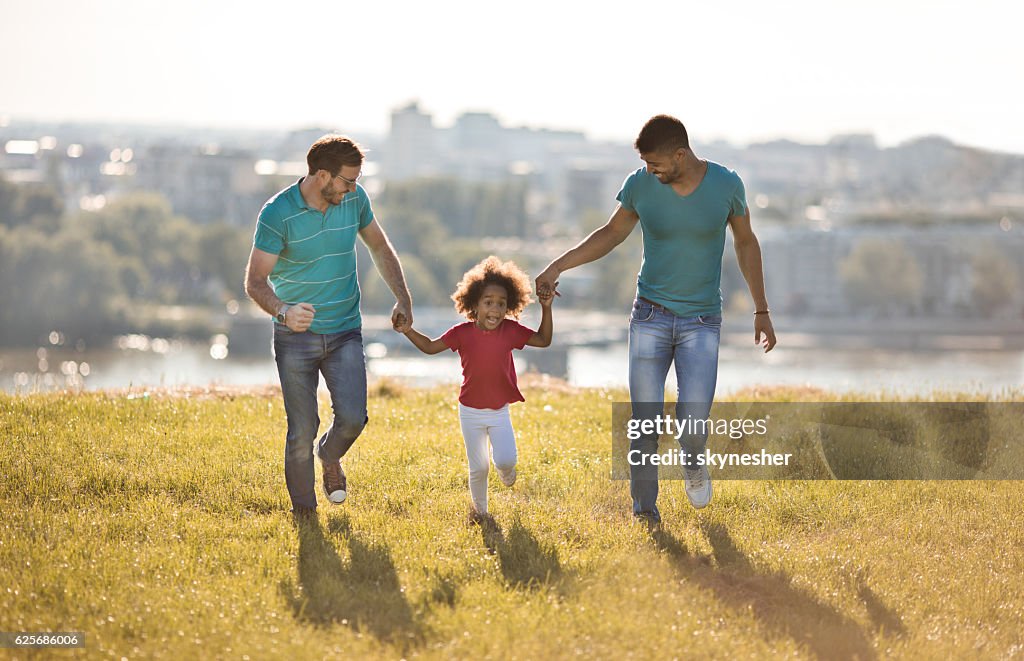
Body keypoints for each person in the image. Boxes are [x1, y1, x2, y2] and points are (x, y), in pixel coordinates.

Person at [536, 115, 777, 523]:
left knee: (694, 417)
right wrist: (557, 267)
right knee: (644, 421)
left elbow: (746, 243)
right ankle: (644, 510)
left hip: (702, 320)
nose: (651, 171)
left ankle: (693, 461)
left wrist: (761, 309)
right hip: (649, 315)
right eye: (647, 165)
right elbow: (610, 234)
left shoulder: (727, 185)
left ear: (680, 154)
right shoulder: (640, 185)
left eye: (656, 164)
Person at [244, 134, 413, 515]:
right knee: (300, 431)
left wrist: (403, 297)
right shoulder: (277, 214)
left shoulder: (354, 199)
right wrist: (283, 311)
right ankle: (305, 517)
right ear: (322, 175)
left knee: (353, 418)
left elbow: (380, 247)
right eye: (347, 180)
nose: (353, 188)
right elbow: (255, 282)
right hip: (294, 337)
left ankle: (330, 454)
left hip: (345, 332)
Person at [398, 256, 554, 521]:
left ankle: (506, 471)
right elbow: (430, 347)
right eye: (488, 302)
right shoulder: (461, 333)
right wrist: (407, 330)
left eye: (501, 304)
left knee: (504, 461)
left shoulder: (511, 331)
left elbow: (543, 340)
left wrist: (546, 308)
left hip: (498, 411)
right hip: (469, 411)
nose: (495, 309)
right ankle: (480, 513)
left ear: (509, 306)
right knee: (478, 467)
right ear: (474, 304)